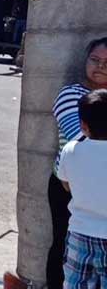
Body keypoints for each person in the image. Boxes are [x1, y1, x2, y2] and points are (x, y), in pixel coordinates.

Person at [46, 37, 107, 288]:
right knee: (65, 246)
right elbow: (82, 137)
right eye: (95, 60)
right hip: (70, 186)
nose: (100, 66)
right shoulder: (73, 94)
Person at [58, 89, 107, 289]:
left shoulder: (70, 150)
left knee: (75, 283)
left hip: (79, 232)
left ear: (83, 126)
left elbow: (66, 184)